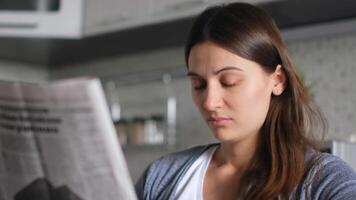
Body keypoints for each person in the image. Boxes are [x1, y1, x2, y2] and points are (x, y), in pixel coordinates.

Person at [135, 2, 356, 200]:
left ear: (277, 81)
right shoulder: (161, 176)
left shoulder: (322, 180)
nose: (209, 102)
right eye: (198, 85)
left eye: (229, 82)